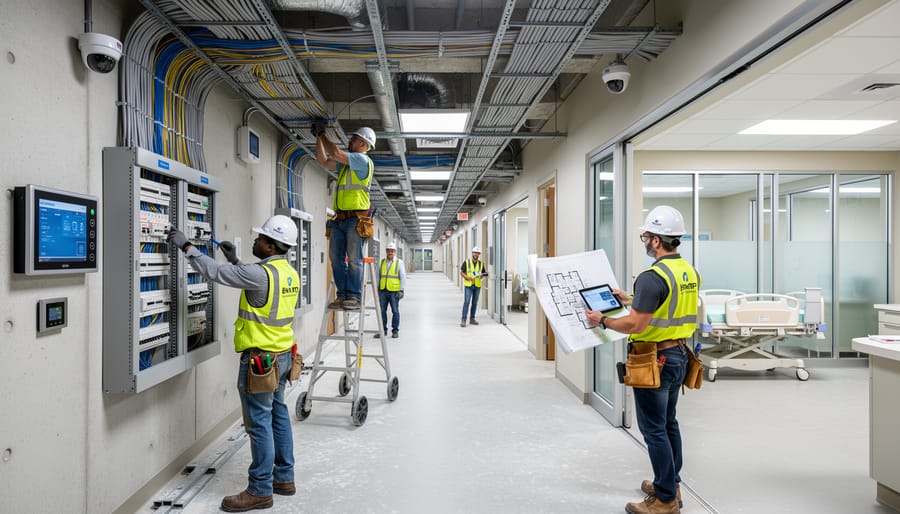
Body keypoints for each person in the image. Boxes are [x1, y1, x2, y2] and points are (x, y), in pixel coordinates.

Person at [167, 215, 300, 513]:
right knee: (278, 416)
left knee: (259, 423)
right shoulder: (289, 272)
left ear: (270, 245)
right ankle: (284, 479)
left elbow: (214, 272)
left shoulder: (258, 273)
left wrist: (186, 246)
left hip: (260, 361)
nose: (255, 240)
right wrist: (236, 260)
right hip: (282, 356)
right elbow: (259, 286)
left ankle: (260, 490)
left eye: (260, 238)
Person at [584, 205, 701, 514]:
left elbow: (636, 325)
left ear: (657, 240)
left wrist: (601, 320)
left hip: (655, 359)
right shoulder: (689, 271)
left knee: (653, 430)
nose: (645, 242)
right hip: (679, 355)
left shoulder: (652, 277)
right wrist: (630, 298)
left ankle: (664, 500)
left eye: (646, 237)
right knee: (668, 423)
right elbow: (667, 305)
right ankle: (670, 484)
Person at [316, 125, 376, 310]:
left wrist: (322, 133)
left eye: (354, 139)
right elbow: (323, 160)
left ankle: (354, 297)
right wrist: (318, 138)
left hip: (355, 219)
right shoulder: (346, 165)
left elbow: (335, 152)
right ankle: (342, 295)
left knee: (354, 259)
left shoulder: (362, 160)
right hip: (340, 219)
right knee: (336, 258)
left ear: (363, 144)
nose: (350, 141)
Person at [375, 241, 406, 338]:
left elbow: (403, 277)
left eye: (392, 251)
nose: (390, 252)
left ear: (395, 252)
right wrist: (376, 289)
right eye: (388, 250)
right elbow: (378, 276)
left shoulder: (399, 262)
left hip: (394, 292)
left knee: (395, 311)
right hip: (383, 291)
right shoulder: (382, 262)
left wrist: (401, 290)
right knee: (382, 311)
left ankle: (395, 331)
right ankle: (383, 331)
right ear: (386, 251)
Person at [459, 246, 486, 327]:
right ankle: (463, 319)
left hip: (477, 285)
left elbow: (483, 273)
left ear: (479, 254)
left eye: (477, 253)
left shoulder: (481, 264)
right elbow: (461, 272)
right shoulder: (466, 262)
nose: (476, 254)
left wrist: (481, 276)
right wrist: (467, 277)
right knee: (467, 302)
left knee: (474, 303)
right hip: (468, 285)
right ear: (472, 253)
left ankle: (472, 319)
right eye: (475, 253)